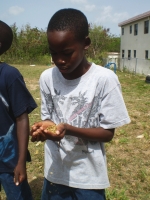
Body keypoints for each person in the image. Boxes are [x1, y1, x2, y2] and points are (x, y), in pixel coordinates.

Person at [30, 8, 130, 200]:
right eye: (53, 53)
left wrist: (68, 129)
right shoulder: (47, 78)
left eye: (67, 53)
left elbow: (107, 133)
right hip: (55, 175)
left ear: (85, 43)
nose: (59, 60)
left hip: (88, 179)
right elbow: (49, 118)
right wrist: (44, 129)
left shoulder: (104, 79)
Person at [0, 20, 37, 200]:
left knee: (18, 196)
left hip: (8, 157)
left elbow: (22, 118)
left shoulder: (9, 75)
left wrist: (21, 161)